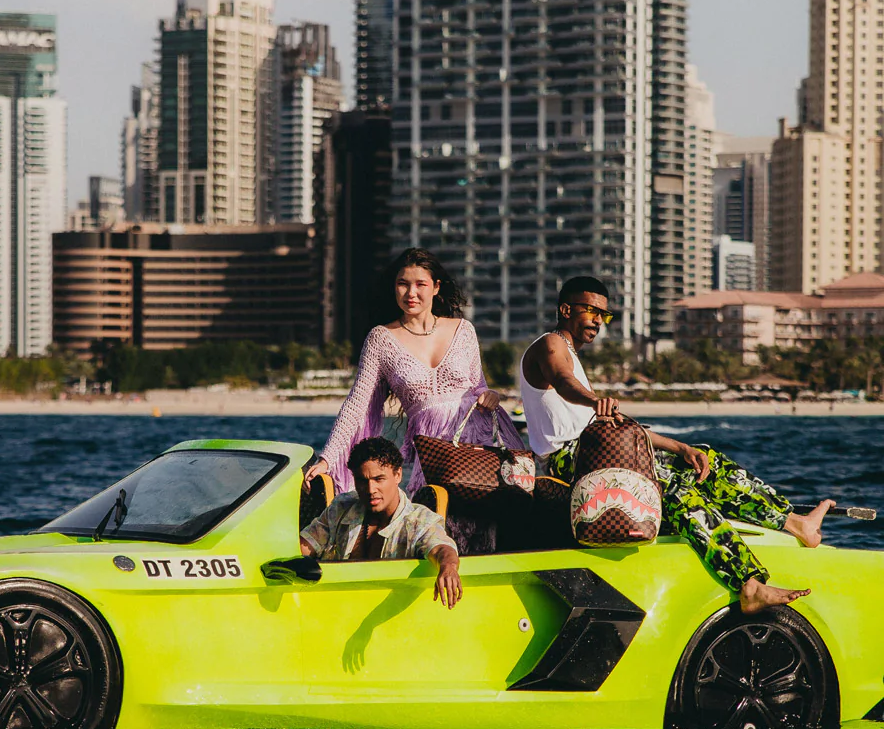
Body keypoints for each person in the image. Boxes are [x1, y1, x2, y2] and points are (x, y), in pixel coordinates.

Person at [519, 275, 835, 615]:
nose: (598, 320)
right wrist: (594, 400)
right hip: (569, 460)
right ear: (566, 310)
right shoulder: (550, 345)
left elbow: (621, 426)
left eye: (604, 315)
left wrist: (679, 447)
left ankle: (795, 523)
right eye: (591, 311)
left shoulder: (571, 355)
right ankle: (749, 582)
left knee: (704, 460)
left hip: (599, 448)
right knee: (672, 489)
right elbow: (563, 381)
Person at [304, 248, 520, 497]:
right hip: (434, 456)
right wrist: (327, 459)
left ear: (436, 287)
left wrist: (490, 395)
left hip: (482, 446)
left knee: (492, 515)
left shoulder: (463, 330)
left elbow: (479, 386)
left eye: (420, 284)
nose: (411, 293)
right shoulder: (381, 339)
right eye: (403, 284)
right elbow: (356, 405)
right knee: (436, 513)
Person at [300, 438, 462, 609]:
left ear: (398, 475)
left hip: (391, 613)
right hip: (340, 607)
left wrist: (448, 567)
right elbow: (304, 545)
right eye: (362, 481)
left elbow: (441, 548)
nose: (370, 490)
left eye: (379, 479)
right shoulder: (342, 507)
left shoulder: (418, 520)